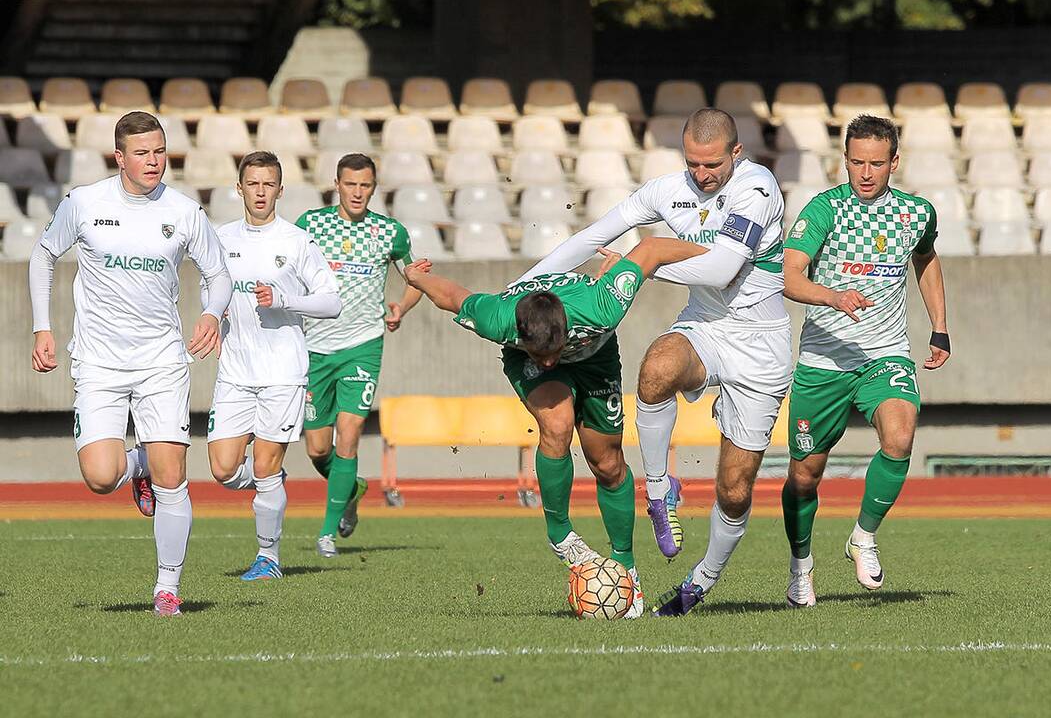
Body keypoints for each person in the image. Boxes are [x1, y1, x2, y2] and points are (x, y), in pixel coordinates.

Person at [514, 108, 790, 617]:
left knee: (733, 491)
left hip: (761, 346)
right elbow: (589, 238)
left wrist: (645, 262)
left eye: (712, 165)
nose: (702, 175)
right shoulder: (667, 190)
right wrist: (523, 287)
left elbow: (723, 268)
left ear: (736, 153)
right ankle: (660, 491)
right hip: (704, 328)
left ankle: (701, 580)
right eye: (693, 164)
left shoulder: (758, 188)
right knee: (656, 369)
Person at [403, 236, 711, 619]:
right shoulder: (499, 317)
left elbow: (651, 249)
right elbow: (453, 295)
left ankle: (625, 566)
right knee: (558, 422)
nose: (550, 362)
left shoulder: (603, 305)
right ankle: (560, 533)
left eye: (553, 351)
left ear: (566, 328)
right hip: (524, 366)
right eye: (541, 353)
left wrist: (724, 259)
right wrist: (417, 278)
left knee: (608, 463)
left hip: (596, 360)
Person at [29, 111, 232, 616]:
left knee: (174, 477)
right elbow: (42, 255)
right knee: (100, 477)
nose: (153, 162)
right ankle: (136, 463)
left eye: (160, 152)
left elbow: (219, 273)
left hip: (161, 361)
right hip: (97, 363)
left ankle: (167, 588)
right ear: (119, 157)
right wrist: (42, 326)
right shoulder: (84, 203)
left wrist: (211, 312)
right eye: (141, 153)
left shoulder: (185, 212)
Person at [779, 115, 950, 607]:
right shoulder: (825, 210)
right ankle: (801, 565)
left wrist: (939, 325)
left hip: (885, 354)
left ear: (894, 162)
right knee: (805, 474)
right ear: (845, 160)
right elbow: (790, 277)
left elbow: (926, 259)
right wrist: (833, 297)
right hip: (824, 359)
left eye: (877, 163)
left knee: (900, 435)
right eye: (857, 162)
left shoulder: (917, 213)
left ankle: (864, 536)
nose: (866, 172)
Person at [208, 152, 341, 580]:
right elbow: (211, 289)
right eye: (253, 183)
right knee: (223, 469)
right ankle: (271, 484)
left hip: (283, 371)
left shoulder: (296, 241)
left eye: (269, 184)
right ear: (240, 188)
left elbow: (331, 301)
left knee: (264, 467)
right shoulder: (221, 238)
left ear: (280, 190)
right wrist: (213, 315)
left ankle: (268, 557)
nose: (261, 191)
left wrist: (285, 299)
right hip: (235, 370)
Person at [296, 153, 424, 557]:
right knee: (318, 448)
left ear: (373, 187)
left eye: (365, 185)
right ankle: (352, 488)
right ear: (337, 184)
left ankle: (327, 533)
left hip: (363, 346)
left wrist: (402, 305)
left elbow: (417, 278)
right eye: (350, 184)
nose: (357, 192)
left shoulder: (390, 232)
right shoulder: (310, 225)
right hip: (314, 347)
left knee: (348, 435)